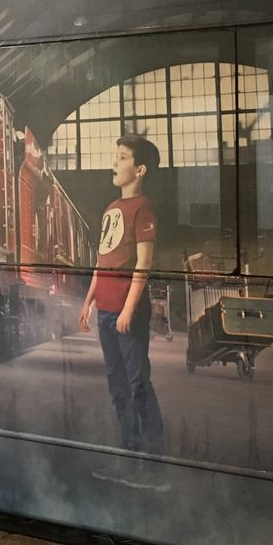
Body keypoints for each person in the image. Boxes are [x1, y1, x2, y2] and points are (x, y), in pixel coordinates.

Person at [79, 134, 165, 467]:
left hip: (127, 314)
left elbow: (144, 263)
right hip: (105, 311)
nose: (114, 162)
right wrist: (88, 301)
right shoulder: (111, 209)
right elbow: (101, 261)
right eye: (116, 156)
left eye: (123, 157)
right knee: (117, 385)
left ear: (140, 169)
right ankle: (130, 447)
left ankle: (153, 452)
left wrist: (128, 309)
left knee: (138, 382)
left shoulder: (144, 209)